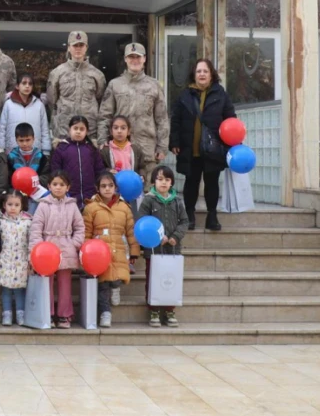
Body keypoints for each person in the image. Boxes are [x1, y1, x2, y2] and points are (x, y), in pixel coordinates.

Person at [170, 58, 237, 231]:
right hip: (189, 148)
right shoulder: (184, 95)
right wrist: (174, 142)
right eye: (199, 71)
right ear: (194, 74)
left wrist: (232, 144)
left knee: (212, 183)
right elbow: (175, 120)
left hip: (213, 149)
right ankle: (189, 216)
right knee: (191, 183)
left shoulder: (221, 94)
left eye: (205, 71)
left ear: (211, 74)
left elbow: (231, 119)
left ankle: (212, 216)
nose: (202, 74)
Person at [98, 43, 170, 186]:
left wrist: (162, 147)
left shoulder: (154, 85)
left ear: (144, 59)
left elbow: (162, 118)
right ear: (125, 59)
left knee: (147, 192)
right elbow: (105, 115)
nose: (134, 60)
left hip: (147, 149)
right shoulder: (115, 84)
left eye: (138, 57)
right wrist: (102, 140)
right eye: (131, 57)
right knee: (119, 192)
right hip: (119, 151)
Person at [83, 171, 140, 328]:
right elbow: (86, 232)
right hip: (99, 252)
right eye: (103, 186)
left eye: (110, 186)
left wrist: (134, 251)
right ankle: (105, 313)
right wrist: (85, 253)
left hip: (120, 249)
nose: (107, 189)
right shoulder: (91, 208)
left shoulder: (124, 207)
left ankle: (116, 288)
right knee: (103, 284)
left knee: (117, 276)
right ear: (97, 188)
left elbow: (130, 230)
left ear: (116, 188)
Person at [29, 171, 85, 329]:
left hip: (66, 248)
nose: (58, 188)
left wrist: (74, 244)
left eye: (62, 185)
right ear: (49, 186)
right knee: (47, 282)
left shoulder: (72, 205)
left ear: (68, 187)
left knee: (65, 283)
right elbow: (36, 229)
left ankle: (64, 315)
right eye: (55, 184)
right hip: (47, 248)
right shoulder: (43, 205)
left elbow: (80, 227)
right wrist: (37, 249)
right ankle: (48, 312)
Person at [139, 166, 189, 328]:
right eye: (160, 179)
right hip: (153, 250)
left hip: (172, 250)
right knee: (152, 279)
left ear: (172, 182)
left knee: (171, 279)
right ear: (154, 181)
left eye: (167, 180)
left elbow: (184, 222)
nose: (163, 183)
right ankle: (153, 309)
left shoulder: (177, 201)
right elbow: (142, 222)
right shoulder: (148, 200)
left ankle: (169, 310)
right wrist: (156, 237)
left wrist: (175, 237)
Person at [45, 31, 106, 143]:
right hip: (64, 133)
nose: (78, 49)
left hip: (90, 133)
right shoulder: (57, 73)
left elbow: (100, 100)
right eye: (75, 45)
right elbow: (52, 102)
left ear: (86, 47)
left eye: (81, 45)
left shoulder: (97, 74)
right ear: (68, 47)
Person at [0, 190, 31, 327]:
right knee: (6, 288)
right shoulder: (0, 221)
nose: (13, 208)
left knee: (20, 288)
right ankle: (6, 313)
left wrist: (31, 259)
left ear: (22, 206)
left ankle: (21, 313)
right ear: (4, 204)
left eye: (16, 205)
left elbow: (31, 241)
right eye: (10, 204)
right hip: (5, 259)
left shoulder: (27, 222)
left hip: (21, 259)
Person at [50, 115, 107, 204]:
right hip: (68, 196)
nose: (78, 131)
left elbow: (99, 171)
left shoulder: (92, 149)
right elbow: (55, 172)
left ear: (86, 131)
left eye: (82, 129)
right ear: (69, 130)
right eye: (75, 128)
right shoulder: (61, 149)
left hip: (90, 195)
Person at [0, 73, 50, 154]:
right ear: (17, 86)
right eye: (24, 83)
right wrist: (0, 149)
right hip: (13, 151)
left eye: (30, 84)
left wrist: (46, 151)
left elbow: (44, 129)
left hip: (34, 152)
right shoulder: (8, 104)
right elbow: (2, 129)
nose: (27, 86)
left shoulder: (39, 105)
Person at [7, 123, 51, 190]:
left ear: (33, 139)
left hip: (36, 193)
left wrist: (32, 181)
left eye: (28, 140)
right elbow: (8, 178)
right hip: (17, 193)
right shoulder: (10, 158)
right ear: (16, 140)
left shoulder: (41, 158)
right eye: (21, 140)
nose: (25, 144)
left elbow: (46, 177)